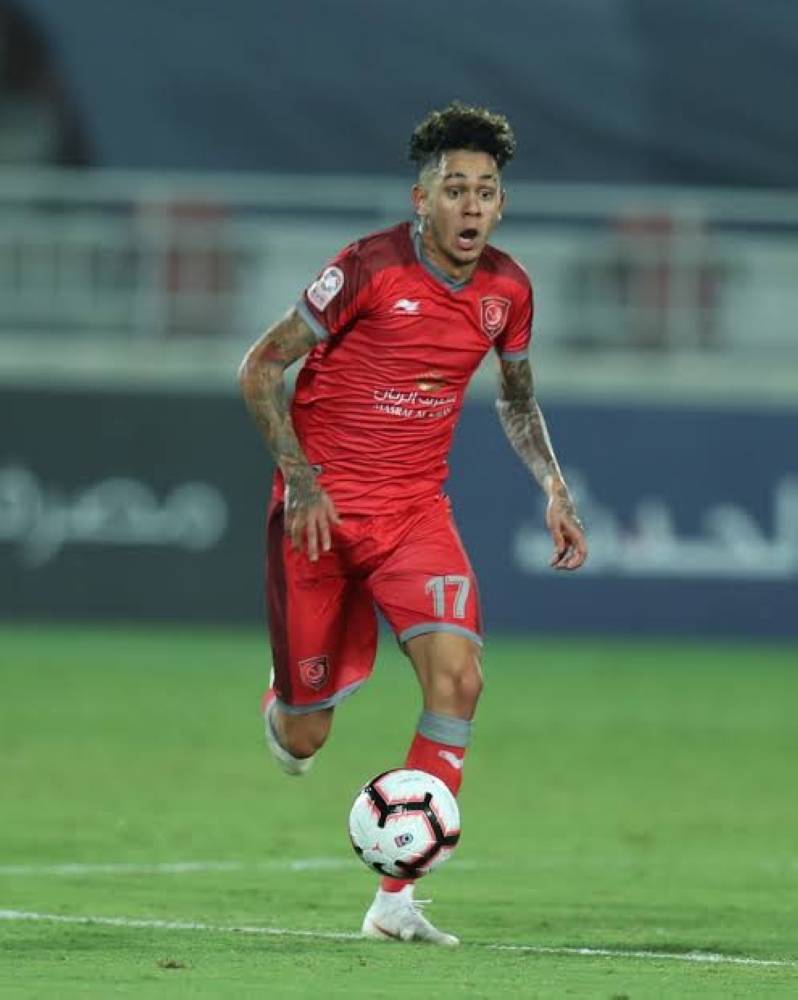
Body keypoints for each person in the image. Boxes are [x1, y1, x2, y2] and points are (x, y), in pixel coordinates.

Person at [238, 101, 588, 946]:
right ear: (421, 199)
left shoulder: (508, 290)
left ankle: (395, 898)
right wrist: (301, 480)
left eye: (486, 191)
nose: (471, 205)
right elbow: (261, 367)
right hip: (319, 518)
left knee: (459, 680)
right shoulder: (367, 268)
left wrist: (554, 485)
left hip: (414, 517)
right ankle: (290, 701)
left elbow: (516, 398)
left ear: (501, 205)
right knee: (306, 734)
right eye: (454, 189)